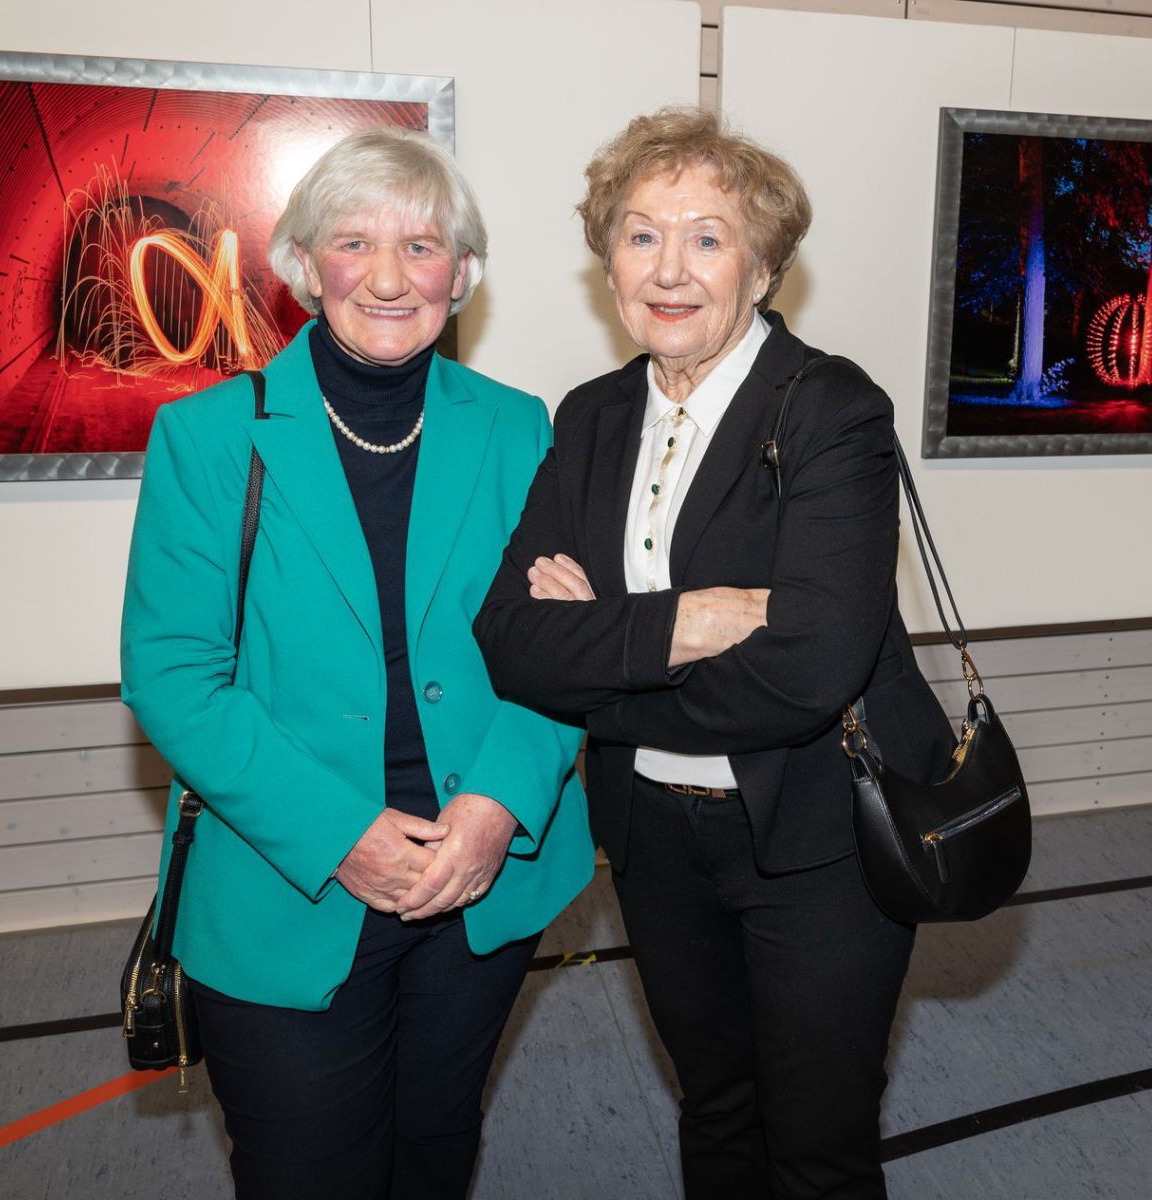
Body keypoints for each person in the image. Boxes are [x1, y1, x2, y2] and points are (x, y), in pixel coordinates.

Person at [474, 108, 954, 1199]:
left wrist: (597, 668)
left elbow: (808, 672)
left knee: (817, 1138)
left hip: (818, 835)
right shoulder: (591, 417)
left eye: (707, 237)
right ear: (607, 262)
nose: (669, 268)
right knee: (717, 1109)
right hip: (653, 837)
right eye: (641, 235)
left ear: (764, 265)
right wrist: (687, 623)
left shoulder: (831, 409)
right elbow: (510, 639)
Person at [120, 127, 588, 1200]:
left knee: (435, 1146)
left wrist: (498, 808)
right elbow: (173, 674)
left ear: (460, 275)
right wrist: (342, 834)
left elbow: (564, 647)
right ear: (302, 264)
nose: (387, 277)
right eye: (354, 242)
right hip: (286, 879)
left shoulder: (519, 428)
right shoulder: (209, 437)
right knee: (307, 1171)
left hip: (481, 873)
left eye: (421, 247)